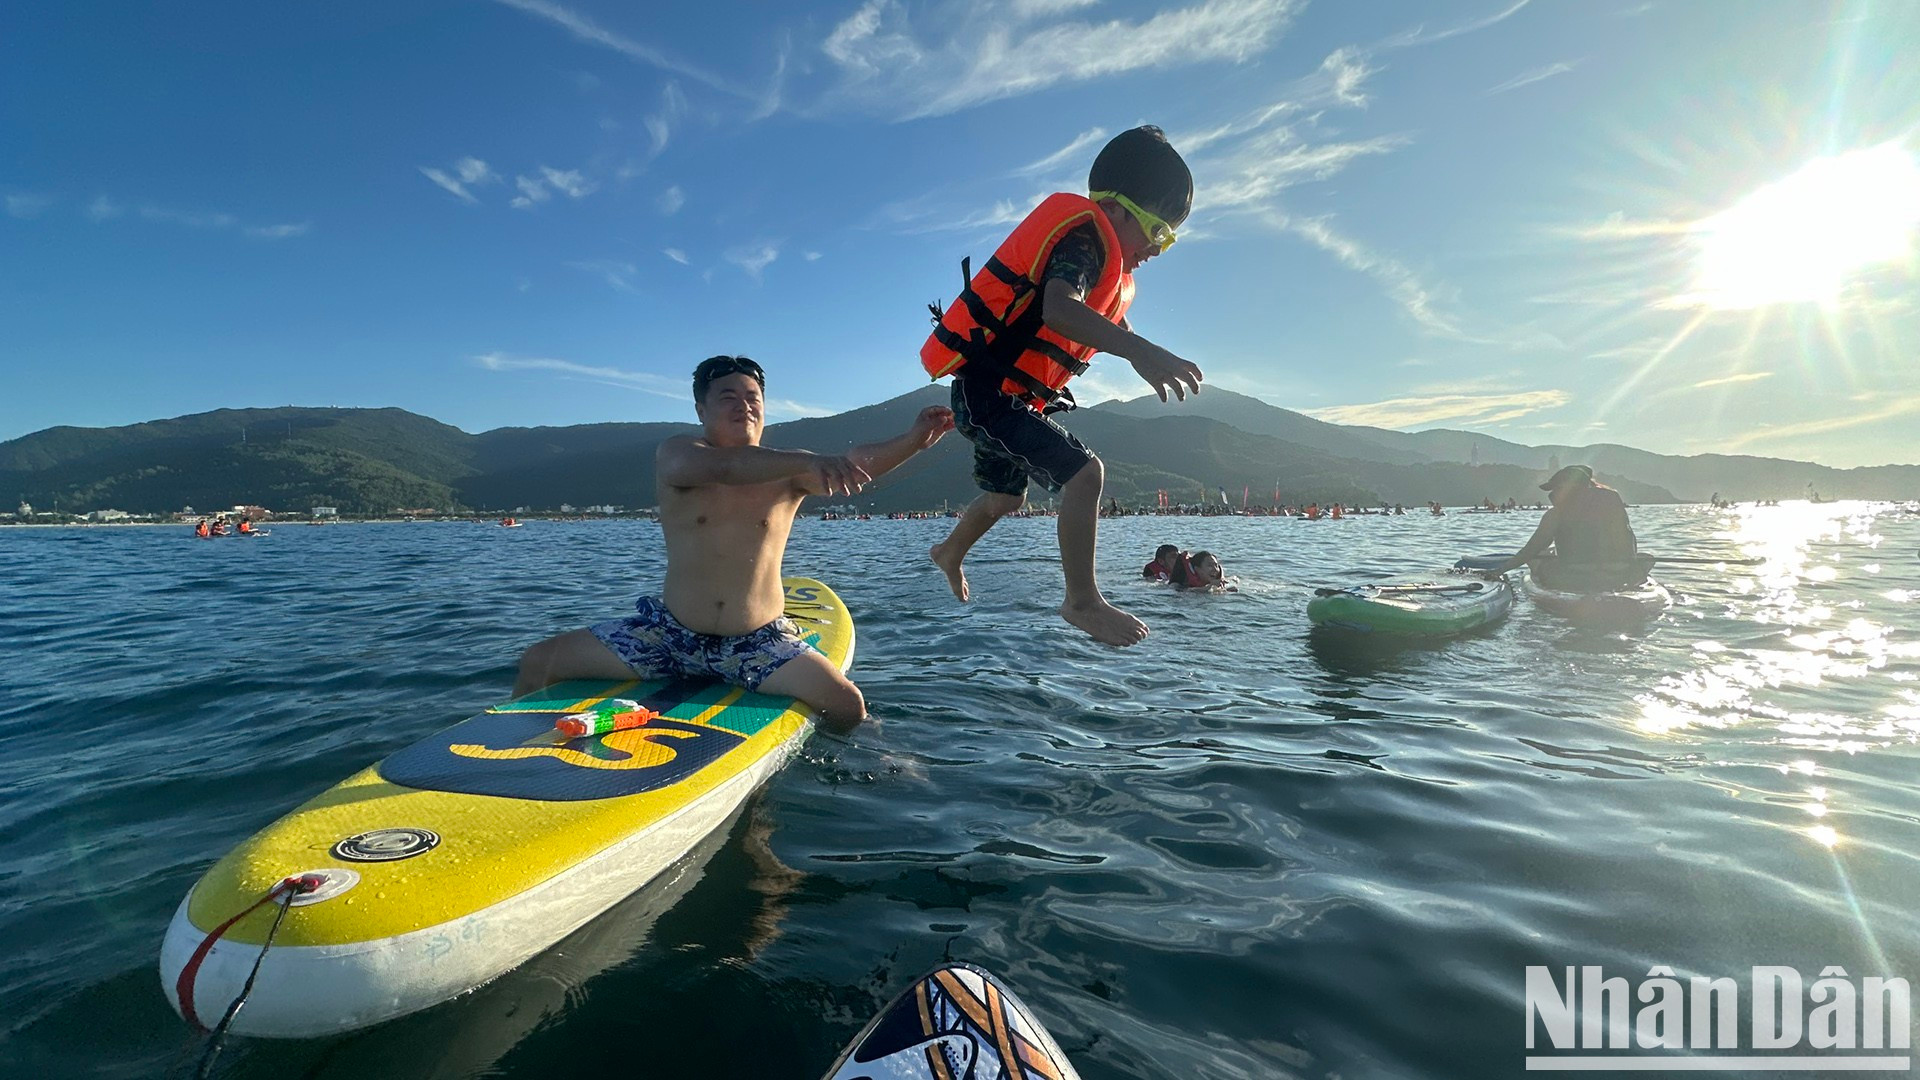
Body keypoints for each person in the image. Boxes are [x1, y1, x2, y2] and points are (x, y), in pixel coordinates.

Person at [513, 356, 953, 727]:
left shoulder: (791, 471)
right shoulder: (678, 453)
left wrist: (914, 440)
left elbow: (856, 464)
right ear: (701, 409)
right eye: (728, 397)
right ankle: (507, 749)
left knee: (847, 705)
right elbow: (724, 468)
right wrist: (811, 459)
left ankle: (877, 762)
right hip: (667, 637)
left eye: (752, 398)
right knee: (538, 662)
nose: (744, 405)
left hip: (757, 643)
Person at [923, 126, 1202, 647]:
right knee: (1085, 474)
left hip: (998, 398)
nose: (1159, 249)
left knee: (1005, 497)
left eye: (1170, 237)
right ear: (1114, 209)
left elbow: (1108, 317)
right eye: (1157, 230)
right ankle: (1082, 601)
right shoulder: (1083, 241)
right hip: (991, 396)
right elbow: (1059, 307)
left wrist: (1137, 349)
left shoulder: (1104, 261)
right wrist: (1141, 352)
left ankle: (950, 551)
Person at [1479, 465, 1641, 587]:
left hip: (1577, 576)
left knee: (1535, 559)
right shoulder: (1613, 505)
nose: (1554, 493)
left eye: (1557, 487)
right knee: (1646, 557)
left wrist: (1498, 571)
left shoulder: (1556, 514)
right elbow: (1629, 544)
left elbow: (1529, 551)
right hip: (1619, 573)